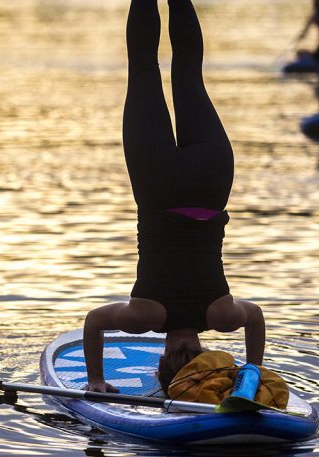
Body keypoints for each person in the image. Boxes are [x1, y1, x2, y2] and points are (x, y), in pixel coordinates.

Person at [83, 0, 266, 395]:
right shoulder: (145, 315)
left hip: (210, 182)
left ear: (203, 351)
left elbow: (257, 318)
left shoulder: (221, 314)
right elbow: (94, 321)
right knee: (144, 69)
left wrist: (253, 372)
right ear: (161, 360)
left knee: (188, 73)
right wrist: (96, 379)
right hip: (158, 182)